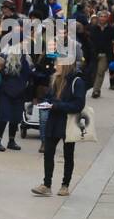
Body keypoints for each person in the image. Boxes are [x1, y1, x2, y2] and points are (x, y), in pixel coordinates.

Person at [31, 57, 87, 197]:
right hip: (54, 120)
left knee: (68, 154)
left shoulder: (77, 82)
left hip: (68, 122)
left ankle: (65, 185)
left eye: (58, 64)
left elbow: (78, 105)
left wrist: (56, 105)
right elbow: (50, 97)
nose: (55, 66)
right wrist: (46, 103)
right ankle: (46, 184)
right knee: (48, 152)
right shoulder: (55, 79)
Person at [0, 46, 32, 152]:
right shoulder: (3, 57)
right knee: (4, 117)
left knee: (15, 118)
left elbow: (27, 74)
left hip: (19, 93)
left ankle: (11, 141)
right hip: (5, 92)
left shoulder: (24, 58)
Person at [85, 9, 114, 99]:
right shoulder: (93, 29)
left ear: (107, 18)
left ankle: (96, 90)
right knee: (93, 73)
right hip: (94, 54)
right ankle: (93, 87)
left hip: (105, 54)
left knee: (100, 72)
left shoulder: (111, 29)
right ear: (98, 17)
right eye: (101, 16)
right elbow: (88, 42)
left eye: (105, 17)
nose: (102, 18)